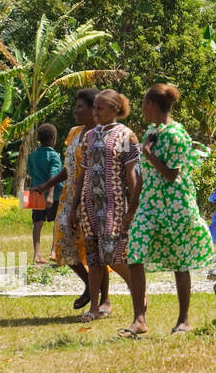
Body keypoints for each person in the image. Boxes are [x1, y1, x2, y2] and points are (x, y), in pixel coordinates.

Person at [121, 83, 216, 338]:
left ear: (152, 104)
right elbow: (143, 174)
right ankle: (139, 319)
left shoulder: (176, 134)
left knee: (180, 261)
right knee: (135, 254)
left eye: (143, 103)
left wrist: (150, 154)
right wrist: (132, 209)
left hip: (175, 205)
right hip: (150, 205)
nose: (141, 108)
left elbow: (171, 174)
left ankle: (183, 320)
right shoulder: (152, 132)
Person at [34, 87, 100, 311]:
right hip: (69, 197)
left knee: (94, 249)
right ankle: (90, 286)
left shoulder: (100, 135)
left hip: (90, 197)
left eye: (79, 107)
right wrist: (46, 185)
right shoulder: (74, 133)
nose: (75, 111)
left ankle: (104, 297)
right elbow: (68, 168)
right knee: (63, 246)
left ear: (93, 109)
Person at [77, 90, 137, 322]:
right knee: (93, 258)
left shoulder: (126, 135)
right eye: (95, 108)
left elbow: (132, 174)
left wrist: (133, 207)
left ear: (114, 108)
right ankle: (94, 308)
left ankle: (137, 293)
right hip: (89, 204)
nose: (95, 112)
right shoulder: (89, 136)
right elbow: (83, 172)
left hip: (114, 204)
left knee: (113, 254)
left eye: (100, 108)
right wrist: (75, 205)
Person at [26, 123, 62, 265]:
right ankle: (53, 251)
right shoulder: (54, 156)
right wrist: (50, 195)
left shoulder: (32, 156)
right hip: (53, 194)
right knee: (57, 222)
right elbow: (53, 177)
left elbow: (31, 173)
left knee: (37, 224)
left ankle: (37, 254)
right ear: (53, 138)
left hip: (35, 191)